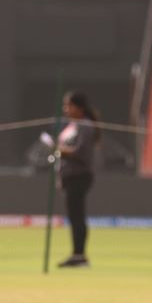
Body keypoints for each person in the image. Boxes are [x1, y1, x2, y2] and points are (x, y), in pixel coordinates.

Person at [55, 91, 100, 268]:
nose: (66, 109)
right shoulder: (72, 125)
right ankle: (77, 253)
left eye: (69, 105)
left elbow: (81, 152)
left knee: (77, 216)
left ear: (79, 107)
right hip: (68, 176)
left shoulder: (85, 126)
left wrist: (60, 150)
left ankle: (79, 255)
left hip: (79, 176)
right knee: (74, 216)